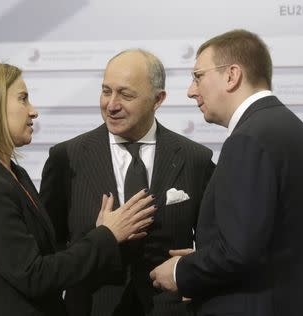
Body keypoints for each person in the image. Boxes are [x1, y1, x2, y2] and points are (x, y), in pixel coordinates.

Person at [149, 29, 303, 316]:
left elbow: (239, 253)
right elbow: (262, 244)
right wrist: (205, 259)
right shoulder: (295, 132)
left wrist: (181, 271)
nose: (191, 90)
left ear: (232, 76)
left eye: (198, 76)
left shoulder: (248, 139)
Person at [0, 62, 157, 316]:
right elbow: (34, 276)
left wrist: (98, 233)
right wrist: (107, 234)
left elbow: (46, 259)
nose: (33, 111)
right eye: (23, 99)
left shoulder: (13, 174)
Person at [40, 49, 215, 316]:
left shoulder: (195, 159)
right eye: (106, 91)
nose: (111, 104)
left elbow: (216, 245)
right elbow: (48, 251)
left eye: (125, 94)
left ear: (158, 99)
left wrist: (200, 270)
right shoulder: (67, 158)